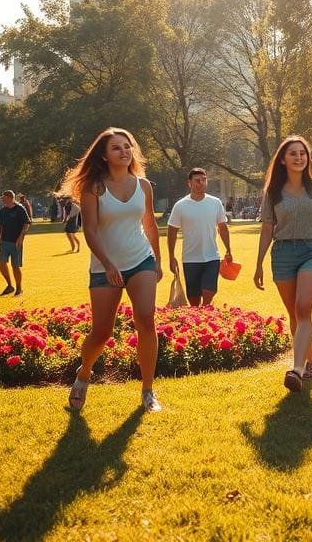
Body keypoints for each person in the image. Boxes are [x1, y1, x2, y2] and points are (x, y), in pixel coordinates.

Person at [62, 127, 164, 413]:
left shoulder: (143, 186)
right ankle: (84, 375)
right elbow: (90, 231)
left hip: (140, 260)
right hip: (105, 267)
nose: (124, 151)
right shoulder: (93, 188)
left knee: (146, 319)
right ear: (104, 157)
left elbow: (150, 225)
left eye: (127, 146)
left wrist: (158, 259)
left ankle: (148, 391)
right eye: (116, 148)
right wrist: (107, 265)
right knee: (102, 332)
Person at [254, 136, 312, 393]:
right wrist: (258, 264)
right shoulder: (272, 192)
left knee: (303, 309)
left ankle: (296, 369)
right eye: (293, 154)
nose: (299, 157)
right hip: (283, 254)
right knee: (295, 316)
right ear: (283, 159)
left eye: (303, 153)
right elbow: (268, 228)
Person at [167, 169, 232, 307]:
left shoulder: (215, 203)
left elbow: (222, 227)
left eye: (204, 180)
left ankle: (207, 314)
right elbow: (172, 231)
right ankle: (199, 324)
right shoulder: (180, 206)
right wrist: (171, 256)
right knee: (194, 301)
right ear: (189, 183)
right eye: (197, 180)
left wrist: (228, 250)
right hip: (190, 258)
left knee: (208, 294)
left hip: (212, 258)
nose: (201, 183)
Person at [0, 190, 30, 297]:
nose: (2, 200)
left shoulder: (20, 209)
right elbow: (0, 226)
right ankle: (9, 285)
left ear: (10, 198)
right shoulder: (2, 211)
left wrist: (21, 237)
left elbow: (26, 224)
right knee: (1, 263)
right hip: (4, 241)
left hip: (16, 242)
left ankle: (19, 288)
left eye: (4, 198)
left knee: (15, 266)